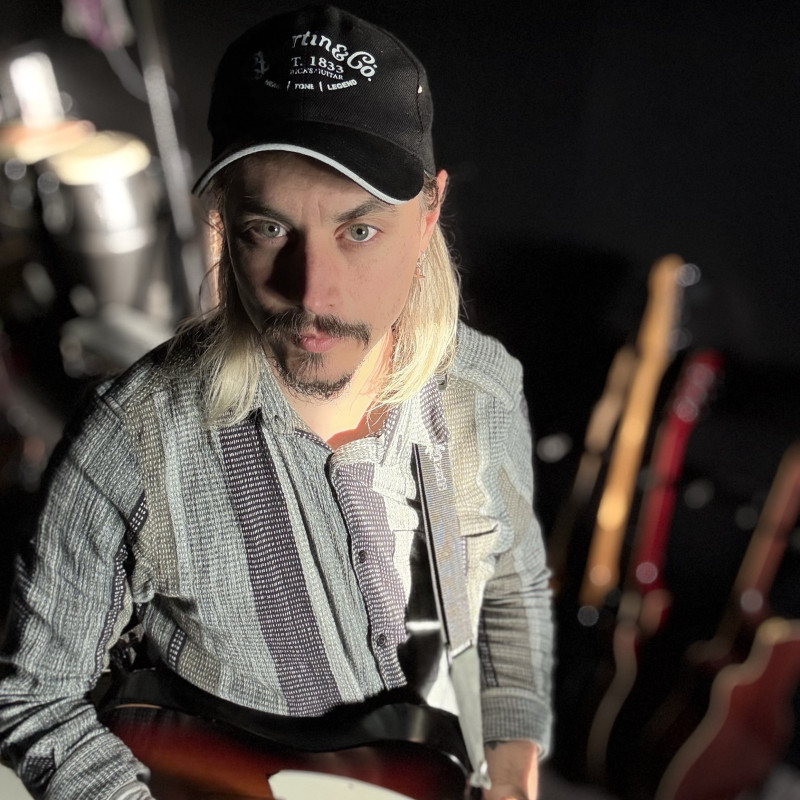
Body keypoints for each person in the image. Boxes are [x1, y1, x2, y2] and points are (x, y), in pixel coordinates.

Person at [0, 5, 553, 799]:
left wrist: (513, 748)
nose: (311, 293)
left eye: (358, 232)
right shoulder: (133, 440)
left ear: (429, 213)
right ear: (222, 221)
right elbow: (34, 697)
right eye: (268, 228)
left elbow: (513, 583)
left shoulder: (485, 386)